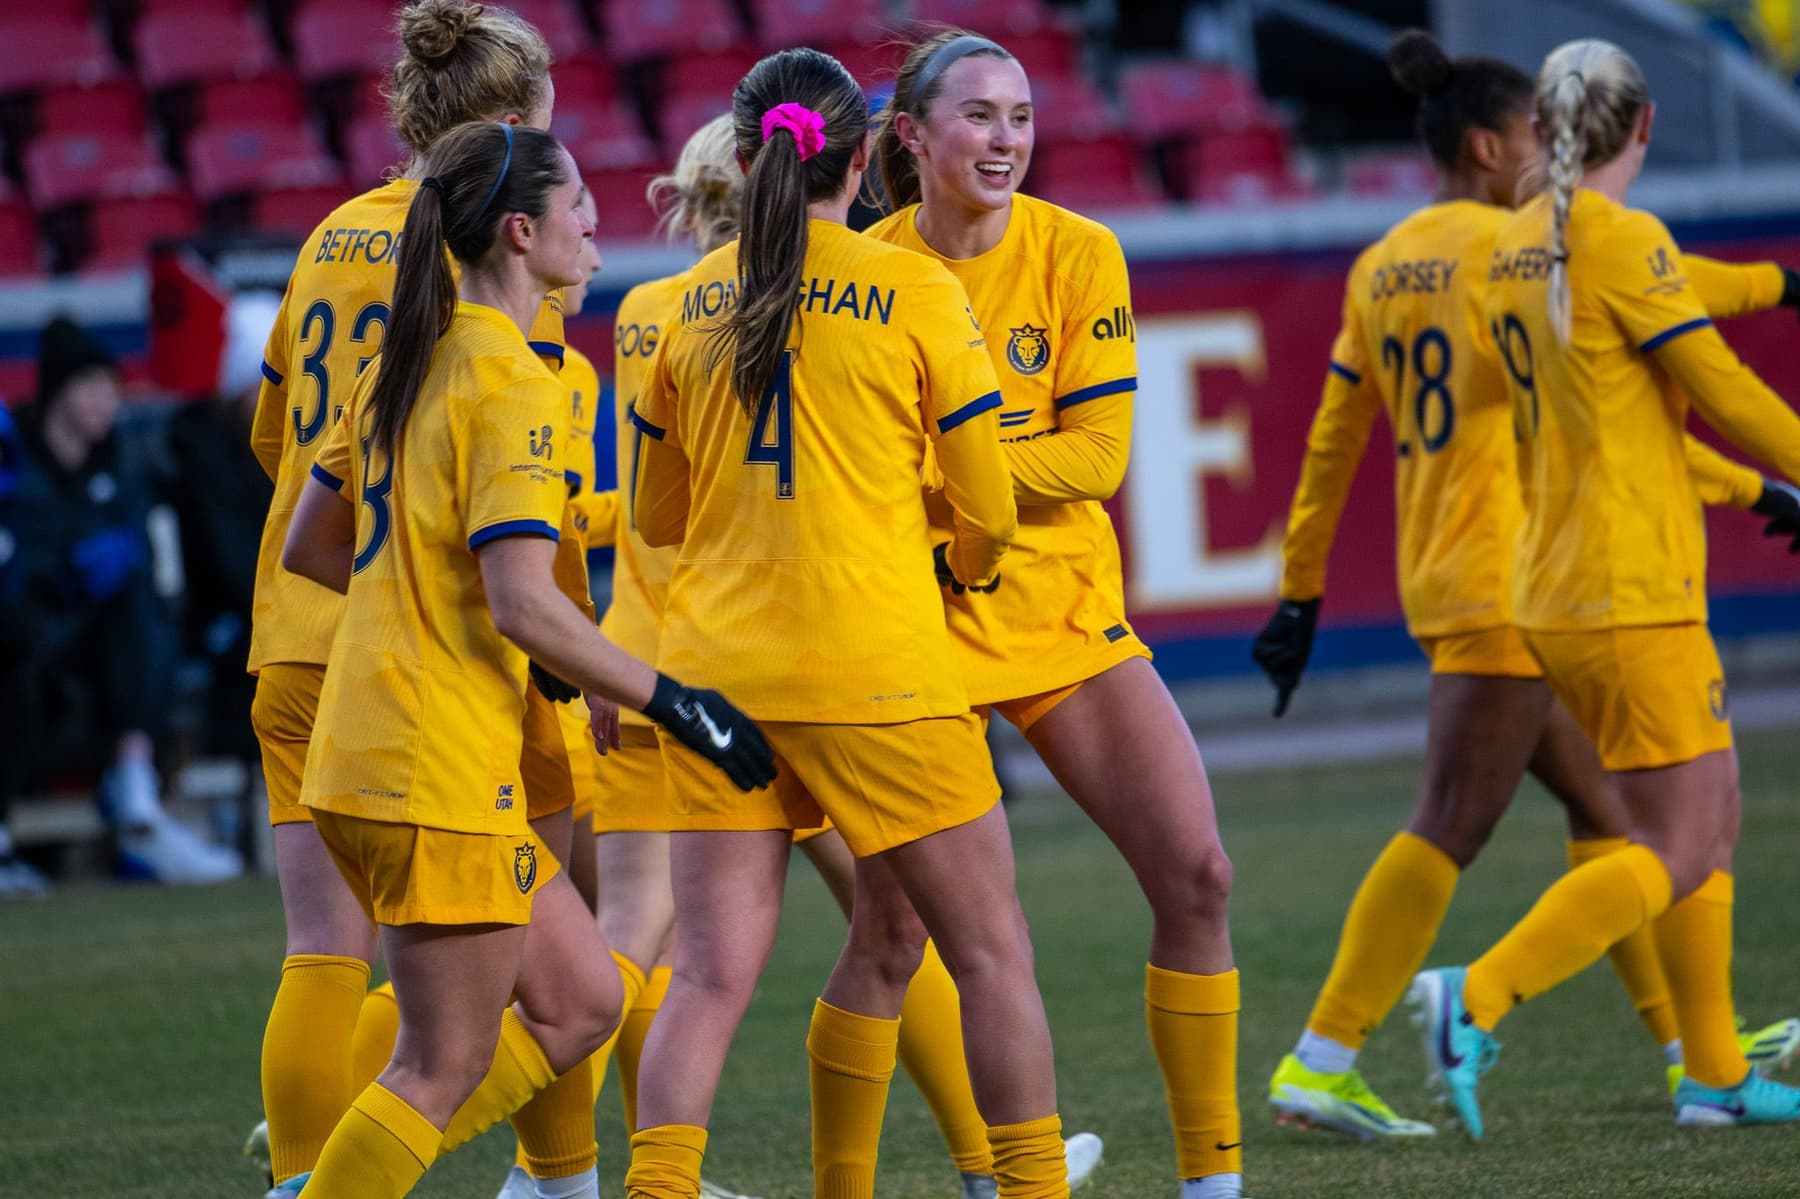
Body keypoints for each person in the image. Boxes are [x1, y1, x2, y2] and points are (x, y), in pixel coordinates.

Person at [1252, 29, 1800, 1141]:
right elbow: (1651, 363)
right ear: (1499, 143)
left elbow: (1329, 440)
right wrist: (1771, 340)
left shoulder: (1391, 263)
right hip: (1543, 563)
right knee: (1471, 820)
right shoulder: (1522, 244)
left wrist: (1302, 588)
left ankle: (1702, 1057)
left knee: (1619, 814)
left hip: (1474, 571)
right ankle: (1342, 1041)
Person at [573, 114, 1100, 1199]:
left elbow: (660, 517)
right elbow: (988, 492)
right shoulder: (909, 285)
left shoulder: (682, 305)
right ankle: (1024, 1183)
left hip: (716, 676)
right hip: (878, 671)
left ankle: (654, 1186)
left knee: (708, 975)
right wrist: (970, 555)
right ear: (864, 162)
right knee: (990, 951)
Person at [281, 118, 773, 1199]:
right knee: (439, 1064)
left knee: (582, 996)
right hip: (432, 760)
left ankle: (493, 1183)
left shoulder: (405, 361)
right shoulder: (511, 383)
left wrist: (417, 606)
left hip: (371, 746)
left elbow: (308, 546)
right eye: (580, 205)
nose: (598, 225)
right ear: (519, 231)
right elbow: (522, 603)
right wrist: (683, 705)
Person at [866, 31, 1243, 1199]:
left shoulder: (1080, 252)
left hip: (1064, 621)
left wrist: (946, 470)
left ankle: (1212, 1181)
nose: (1007, 139)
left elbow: (1099, 456)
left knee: (1199, 875)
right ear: (913, 137)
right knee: (891, 946)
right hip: (909, 640)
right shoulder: (860, 271)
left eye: (1022, 116)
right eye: (978, 116)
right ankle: (997, 1177)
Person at [243, 4, 607, 1194]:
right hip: (433, 655)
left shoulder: (332, 235)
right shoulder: (497, 272)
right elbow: (523, 498)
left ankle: (305, 1171)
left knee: (324, 955)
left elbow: (272, 439)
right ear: (511, 132)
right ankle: (556, 1180)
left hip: (300, 632)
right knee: (533, 962)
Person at [0, 315, 241, 890]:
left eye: (111, 387)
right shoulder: (17, 460)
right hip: (25, 626)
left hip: (90, 639)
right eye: (90, 387)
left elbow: (136, 544)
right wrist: (57, 570)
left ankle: (135, 791)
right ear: (58, 393)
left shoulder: (122, 463)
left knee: (140, 601)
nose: (105, 401)